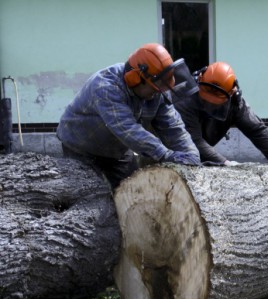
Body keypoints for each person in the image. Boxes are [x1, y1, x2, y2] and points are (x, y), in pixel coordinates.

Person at [57, 43, 201, 190]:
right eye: (155, 87)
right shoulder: (106, 86)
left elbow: (173, 127)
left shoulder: (158, 88)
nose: (158, 92)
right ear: (136, 78)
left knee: (135, 192)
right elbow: (128, 129)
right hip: (81, 146)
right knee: (90, 194)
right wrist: (165, 154)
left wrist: (190, 155)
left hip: (117, 150)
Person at [174, 62, 268, 165]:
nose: (209, 104)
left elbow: (256, 130)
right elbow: (194, 141)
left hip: (198, 151)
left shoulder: (235, 104)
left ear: (231, 93)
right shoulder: (185, 98)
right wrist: (225, 163)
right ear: (200, 81)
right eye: (206, 99)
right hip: (170, 150)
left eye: (215, 102)